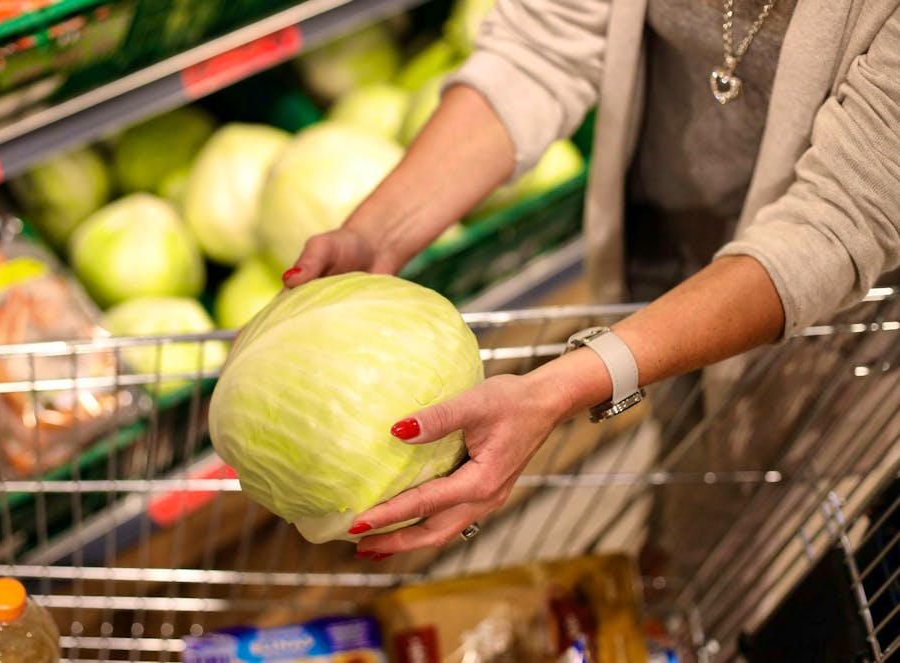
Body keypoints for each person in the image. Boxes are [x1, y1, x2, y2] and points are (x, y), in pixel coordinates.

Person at [282, 0, 900, 557]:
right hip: (666, 263)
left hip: (822, 330)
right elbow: (542, 46)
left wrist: (558, 389)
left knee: (746, 528)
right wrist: (381, 231)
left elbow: (839, 219)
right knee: (681, 470)